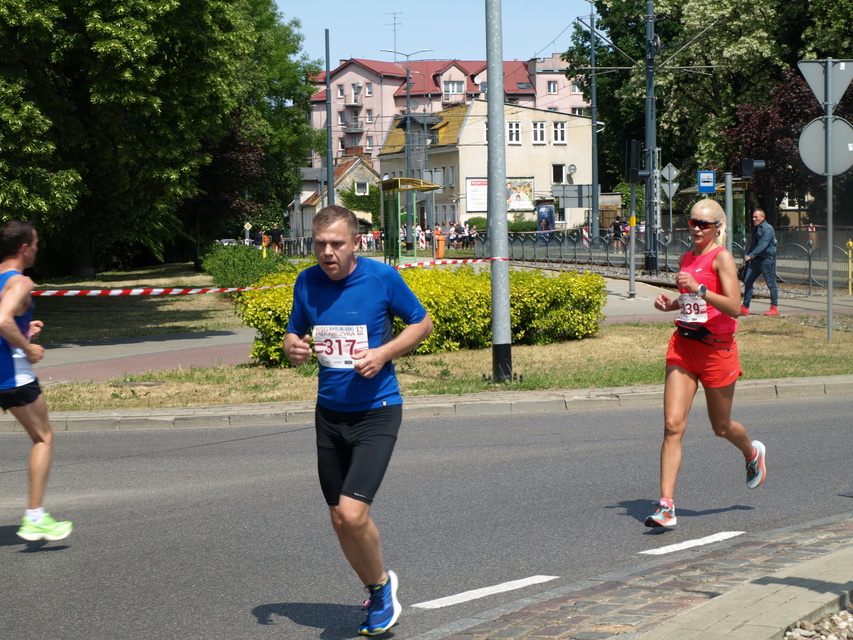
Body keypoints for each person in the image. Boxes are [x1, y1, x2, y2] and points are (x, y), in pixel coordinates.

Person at [283, 205, 433, 636]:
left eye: (337, 244)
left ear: (355, 243)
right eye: (320, 244)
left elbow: (422, 323)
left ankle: (383, 590)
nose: (327, 253)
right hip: (329, 414)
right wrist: (293, 347)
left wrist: (384, 353)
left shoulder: (381, 278)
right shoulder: (306, 281)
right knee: (337, 517)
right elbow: (295, 331)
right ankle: (376, 586)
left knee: (352, 513)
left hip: (377, 411)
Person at [646, 199, 766, 528]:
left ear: (716, 228)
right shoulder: (688, 257)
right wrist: (670, 303)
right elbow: (691, 304)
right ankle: (666, 506)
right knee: (672, 426)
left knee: (721, 427)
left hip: (717, 351)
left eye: (704, 224)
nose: (697, 228)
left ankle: (752, 453)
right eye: (692, 222)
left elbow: (733, 306)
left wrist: (698, 288)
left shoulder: (722, 258)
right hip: (684, 347)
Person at [0, 221, 73, 542]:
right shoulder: (22, 281)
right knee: (43, 437)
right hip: (12, 375)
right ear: (24, 247)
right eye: (37, 243)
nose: (38, 248)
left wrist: (26, 329)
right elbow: (2, 320)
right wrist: (27, 346)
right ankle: (35, 518)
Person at [741, 208, 779, 317]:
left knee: (771, 284)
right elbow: (753, 245)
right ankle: (745, 307)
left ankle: (774, 308)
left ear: (763, 217)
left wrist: (751, 255)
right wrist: (747, 260)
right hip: (755, 261)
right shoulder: (756, 229)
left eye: (756, 217)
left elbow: (763, 244)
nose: (753, 219)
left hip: (765, 260)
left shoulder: (768, 229)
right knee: (748, 281)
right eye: (753, 217)